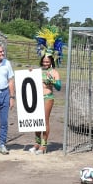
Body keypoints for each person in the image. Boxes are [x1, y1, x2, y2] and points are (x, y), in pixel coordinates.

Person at [30, 26, 63, 155]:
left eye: (47, 61)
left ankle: (44, 146)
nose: (44, 63)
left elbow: (59, 87)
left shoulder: (54, 72)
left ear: (51, 62)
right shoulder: (38, 71)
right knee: (36, 120)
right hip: (37, 98)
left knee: (44, 120)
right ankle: (36, 143)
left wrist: (53, 80)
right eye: (43, 61)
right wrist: (29, 73)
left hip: (48, 97)